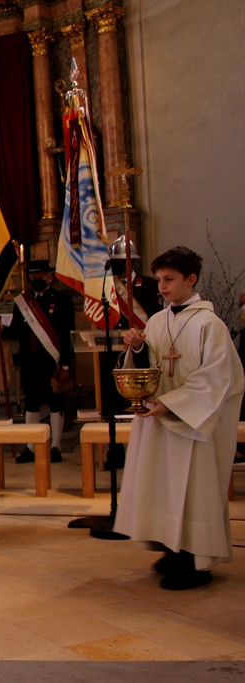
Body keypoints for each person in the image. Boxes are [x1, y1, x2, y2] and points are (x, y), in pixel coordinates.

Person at [117, 246, 244, 590]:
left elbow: (217, 379)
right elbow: (151, 369)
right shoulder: (157, 322)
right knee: (163, 487)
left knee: (193, 491)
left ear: (191, 279)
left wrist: (169, 404)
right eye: (159, 279)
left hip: (192, 424)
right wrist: (139, 348)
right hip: (161, 422)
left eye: (169, 279)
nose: (162, 286)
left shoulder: (209, 325)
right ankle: (172, 550)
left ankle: (195, 561)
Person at [0, 260, 74, 464]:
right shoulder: (23, 303)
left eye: (41, 275)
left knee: (55, 401)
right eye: (33, 275)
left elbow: (67, 335)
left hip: (52, 360)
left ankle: (55, 446)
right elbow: (18, 330)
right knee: (32, 402)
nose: (36, 278)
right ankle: (31, 447)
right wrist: (1, 327)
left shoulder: (62, 300)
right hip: (30, 360)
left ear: (49, 277)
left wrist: (65, 365)